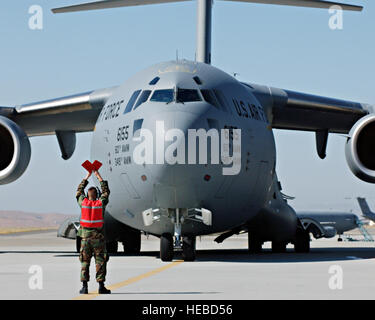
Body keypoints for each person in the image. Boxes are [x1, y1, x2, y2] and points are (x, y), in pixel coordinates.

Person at [76, 169, 111, 294]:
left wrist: (87, 176)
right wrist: (98, 176)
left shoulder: (83, 203)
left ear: (87, 195)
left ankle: (84, 287)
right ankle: (101, 286)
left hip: (85, 240)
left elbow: (78, 191)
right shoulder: (100, 203)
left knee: (85, 262)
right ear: (97, 195)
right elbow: (106, 192)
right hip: (98, 239)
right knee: (100, 261)